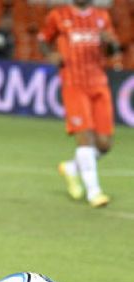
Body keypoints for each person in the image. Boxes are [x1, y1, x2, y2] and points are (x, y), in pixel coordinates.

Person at [38, 0, 121, 208]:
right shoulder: (58, 15)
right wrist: (50, 54)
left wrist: (110, 43)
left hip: (99, 84)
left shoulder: (102, 17)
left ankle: (72, 168)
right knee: (85, 136)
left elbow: (112, 51)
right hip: (74, 84)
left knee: (104, 144)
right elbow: (42, 39)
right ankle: (94, 192)